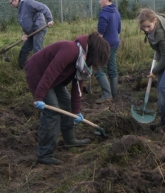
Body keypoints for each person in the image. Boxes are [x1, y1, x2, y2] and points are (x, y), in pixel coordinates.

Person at [25, 31, 110, 165]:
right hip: (39, 74)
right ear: (94, 53)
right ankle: (45, 154)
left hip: (55, 80)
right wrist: (39, 97)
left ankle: (70, 140)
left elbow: (78, 85)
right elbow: (50, 72)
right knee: (52, 113)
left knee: (68, 106)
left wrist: (76, 111)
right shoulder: (70, 50)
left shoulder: (83, 59)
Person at [8, 0, 54, 69]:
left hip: (39, 29)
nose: (11, 5)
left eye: (11, 3)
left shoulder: (28, 2)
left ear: (15, 0)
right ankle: (22, 69)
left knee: (37, 50)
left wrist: (49, 19)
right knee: (25, 49)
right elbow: (26, 22)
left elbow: (43, 7)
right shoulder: (20, 9)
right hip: (31, 32)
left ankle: (40, 70)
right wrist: (25, 34)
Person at [94, 0, 122, 104]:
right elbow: (119, 29)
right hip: (115, 43)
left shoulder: (104, 12)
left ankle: (107, 94)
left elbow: (101, 32)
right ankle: (113, 95)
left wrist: (96, 45)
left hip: (105, 45)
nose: (99, 1)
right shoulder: (116, 11)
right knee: (112, 68)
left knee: (97, 68)